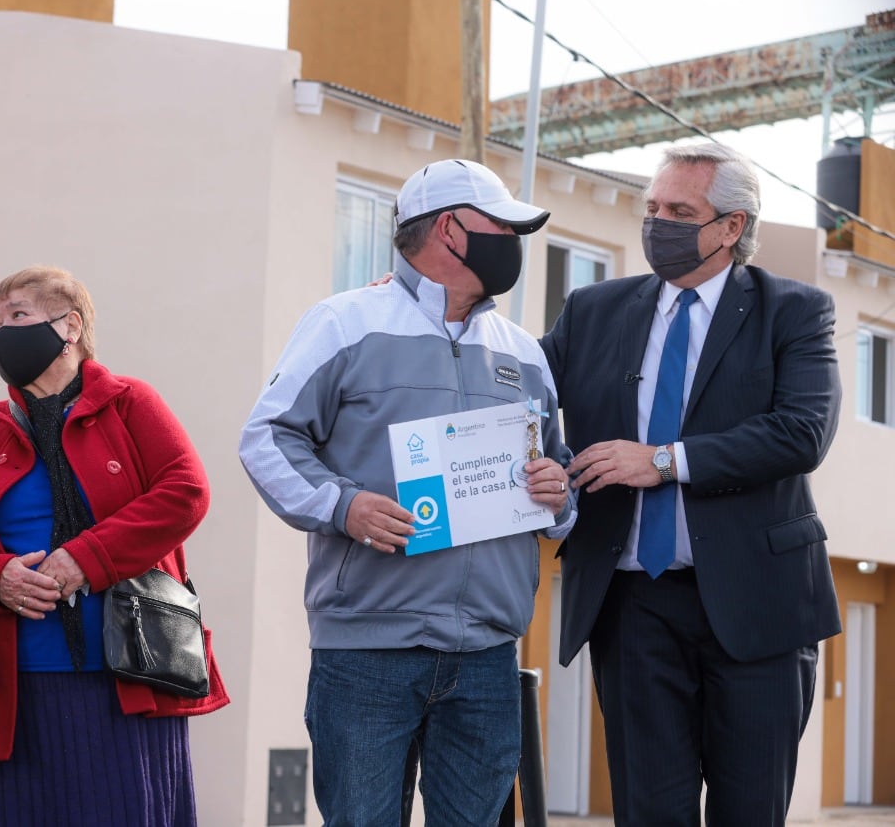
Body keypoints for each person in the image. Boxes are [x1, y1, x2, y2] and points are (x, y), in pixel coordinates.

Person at [239, 159, 577, 826]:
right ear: (449, 231)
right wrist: (344, 505)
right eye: (501, 226)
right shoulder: (344, 323)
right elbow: (267, 440)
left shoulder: (525, 353)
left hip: (485, 654)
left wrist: (559, 494)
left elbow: (559, 483)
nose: (512, 241)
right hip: (365, 651)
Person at [541, 142, 842, 825]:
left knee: (749, 812)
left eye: (681, 210)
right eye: (652, 207)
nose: (658, 222)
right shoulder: (593, 310)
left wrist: (664, 459)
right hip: (633, 605)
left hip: (759, 609)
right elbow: (518, 388)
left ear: (731, 227)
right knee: (648, 813)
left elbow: (803, 432)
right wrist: (434, 310)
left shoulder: (794, 312)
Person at [0, 265, 229, 827]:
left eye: (18, 315)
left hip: (127, 678)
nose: (2, 332)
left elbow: (186, 491)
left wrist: (83, 559)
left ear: (71, 326)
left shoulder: (131, 403)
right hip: (17, 689)